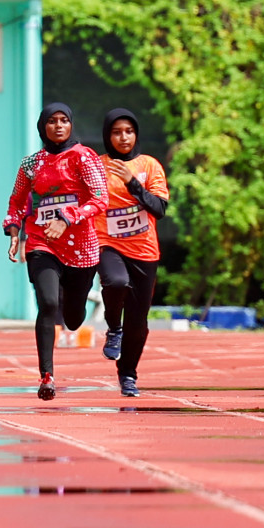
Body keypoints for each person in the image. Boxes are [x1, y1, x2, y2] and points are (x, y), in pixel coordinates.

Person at [2, 103, 108, 401]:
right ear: (42, 126)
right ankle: (47, 376)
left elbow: (101, 199)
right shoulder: (31, 164)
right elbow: (17, 203)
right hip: (41, 242)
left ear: (71, 125)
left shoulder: (83, 157)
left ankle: (74, 308)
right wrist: (13, 230)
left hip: (81, 247)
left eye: (64, 120)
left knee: (73, 318)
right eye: (52, 121)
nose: (58, 126)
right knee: (48, 304)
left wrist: (67, 217)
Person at [97, 108, 170, 397]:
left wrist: (132, 181)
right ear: (107, 135)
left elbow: (159, 209)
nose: (123, 137)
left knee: (138, 322)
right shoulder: (97, 165)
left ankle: (128, 374)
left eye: (128, 131)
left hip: (144, 250)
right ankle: (114, 327)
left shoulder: (149, 165)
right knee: (115, 282)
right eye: (116, 132)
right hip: (108, 243)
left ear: (136, 133)